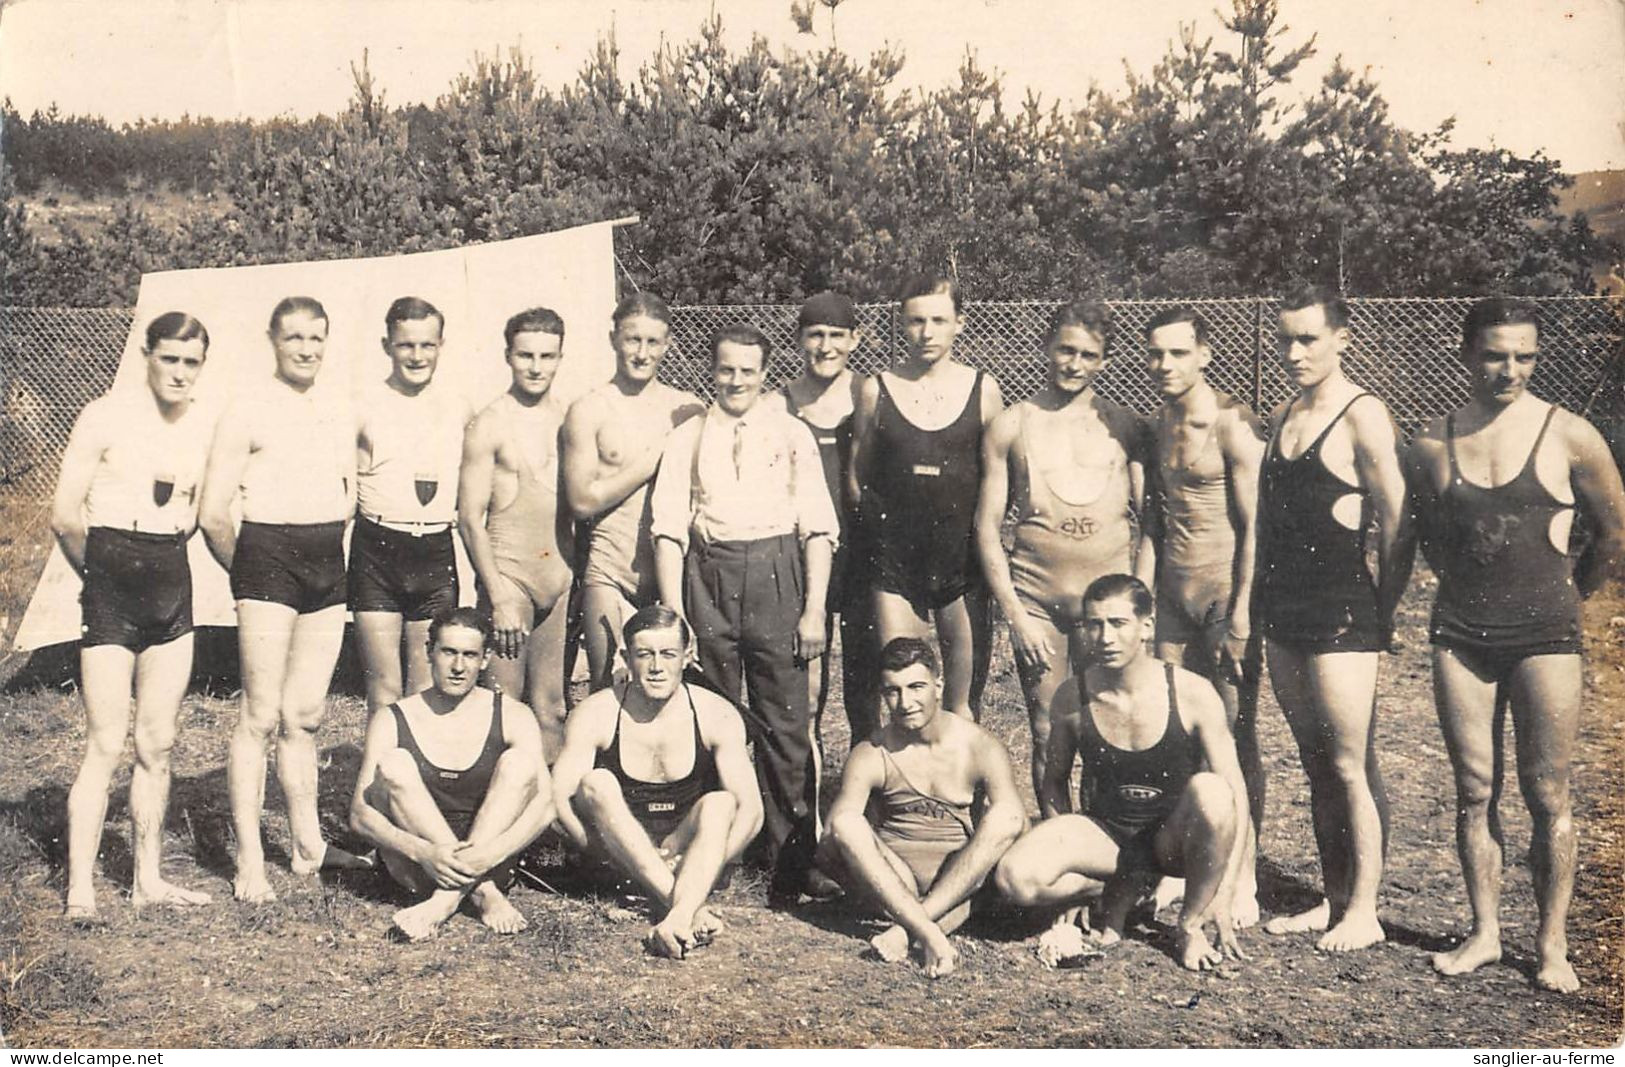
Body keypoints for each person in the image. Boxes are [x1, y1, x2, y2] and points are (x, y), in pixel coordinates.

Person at [1407, 297, 1625, 992]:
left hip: (1546, 636)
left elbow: (1614, 533)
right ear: (1465, 353)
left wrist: (1566, 598)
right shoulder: (1433, 441)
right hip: (1461, 633)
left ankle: (1551, 943)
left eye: (1524, 356)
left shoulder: (1570, 435)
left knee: (1547, 791)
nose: (1509, 370)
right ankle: (1484, 933)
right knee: (1474, 789)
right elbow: (1435, 541)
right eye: (1496, 354)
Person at [649, 324, 837, 892]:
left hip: (778, 578)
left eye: (747, 371)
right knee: (715, 715)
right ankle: (723, 849)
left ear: (764, 374)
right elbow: (668, 530)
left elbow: (819, 529)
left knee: (784, 720)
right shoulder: (689, 436)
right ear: (712, 369)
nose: (735, 380)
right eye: (726, 369)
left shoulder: (790, 433)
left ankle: (791, 856)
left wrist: (813, 611)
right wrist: (674, 612)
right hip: (709, 576)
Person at [199, 295, 373, 903]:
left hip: (327, 560)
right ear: (272, 339)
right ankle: (249, 859)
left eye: (316, 339)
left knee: (305, 715)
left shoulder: (339, 405)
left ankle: (307, 848)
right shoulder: (247, 408)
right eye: (294, 337)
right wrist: (249, 574)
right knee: (260, 715)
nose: (305, 349)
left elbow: (352, 485)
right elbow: (213, 513)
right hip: (266, 559)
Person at [1254, 284, 1412, 951]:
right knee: (1315, 760)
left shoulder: (1361, 414)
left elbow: (1398, 517)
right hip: (1283, 610)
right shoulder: (1287, 411)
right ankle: (1335, 895)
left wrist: (1383, 605)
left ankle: (1365, 910)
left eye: (1307, 339)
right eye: (1285, 339)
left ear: (1340, 338)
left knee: (1349, 763)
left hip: (1342, 610)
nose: (1293, 351)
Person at [994, 575, 1249, 972]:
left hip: (1173, 841)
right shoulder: (1072, 697)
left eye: (1117, 623)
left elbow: (1235, 794)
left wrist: (1225, 890)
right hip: (1110, 837)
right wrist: (1070, 883)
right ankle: (1121, 887)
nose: (1104, 637)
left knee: (1213, 791)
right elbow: (1054, 783)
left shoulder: (1192, 692)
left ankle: (1189, 925)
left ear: (1146, 627)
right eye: (1094, 624)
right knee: (1015, 877)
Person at [52, 311, 217, 919]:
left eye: (191, 361)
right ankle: (80, 892)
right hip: (111, 582)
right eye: (169, 358)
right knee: (104, 742)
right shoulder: (105, 414)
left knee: (158, 741)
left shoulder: (204, 423)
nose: (179, 372)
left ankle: (148, 878)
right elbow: (66, 515)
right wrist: (98, 580)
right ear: (147, 354)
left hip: (171, 578)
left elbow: (198, 510)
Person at [976, 299, 1149, 800]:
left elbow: (1153, 521)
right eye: (1064, 351)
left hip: (1108, 609)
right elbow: (987, 527)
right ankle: (1058, 842)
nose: (1073, 365)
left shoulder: (1125, 427)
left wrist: (1139, 603)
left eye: (1088, 355)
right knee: (1048, 732)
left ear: (1105, 361)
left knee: (1109, 727)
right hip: (1039, 605)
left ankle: (1104, 846)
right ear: (1046, 348)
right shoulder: (1012, 425)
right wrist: (1016, 615)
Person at [1142, 305, 1265, 923]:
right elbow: (1156, 523)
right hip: (1172, 598)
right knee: (1173, 734)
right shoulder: (1158, 423)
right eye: (1157, 353)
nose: (1165, 365)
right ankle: (1187, 863)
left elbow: (1253, 529)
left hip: (1222, 595)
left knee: (1233, 737)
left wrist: (1241, 614)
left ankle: (1242, 874)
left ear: (1204, 354)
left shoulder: (1233, 426)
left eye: (1178, 353)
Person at [551, 605, 763, 959]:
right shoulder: (596, 712)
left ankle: (675, 911)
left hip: (687, 852)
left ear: (688, 656)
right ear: (625, 657)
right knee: (596, 782)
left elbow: (751, 812)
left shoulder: (716, 712)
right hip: (618, 853)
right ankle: (687, 910)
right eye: (644, 655)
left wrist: (703, 863)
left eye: (668, 654)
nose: (656, 667)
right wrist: (609, 856)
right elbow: (558, 804)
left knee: (721, 803)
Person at [822, 637, 1025, 978]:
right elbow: (832, 838)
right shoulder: (872, 751)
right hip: (893, 880)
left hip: (959, 877)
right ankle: (930, 930)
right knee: (845, 823)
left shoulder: (978, 745)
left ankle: (909, 928)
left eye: (916, 687)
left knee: (1007, 816)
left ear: (938, 685)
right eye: (893, 691)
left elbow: (1016, 826)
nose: (906, 702)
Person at [348, 607, 556, 941]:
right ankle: (482, 894)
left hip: (489, 861)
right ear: (429, 652)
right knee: (395, 764)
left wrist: (491, 854)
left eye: (470, 655)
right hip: (417, 868)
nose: (459, 667)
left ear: (485, 659)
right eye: (449, 652)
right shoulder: (393, 718)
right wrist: (424, 853)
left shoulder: (513, 714)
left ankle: (445, 902)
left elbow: (546, 806)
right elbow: (360, 816)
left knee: (520, 762)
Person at [850, 275, 1004, 720]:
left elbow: (995, 481)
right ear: (902, 323)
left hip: (961, 567)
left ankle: (962, 790)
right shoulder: (876, 389)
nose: (927, 332)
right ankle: (904, 789)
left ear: (960, 323)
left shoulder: (984, 390)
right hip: (897, 567)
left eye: (939, 320)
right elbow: (857, 479)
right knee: (905, 696)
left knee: (961, 705)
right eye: (917, 321)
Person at [562, 293, 705, 690]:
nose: (642, 353)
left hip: (672, 574)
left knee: (678, 690)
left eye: (653, 342)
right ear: (613, 339)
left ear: (668, 344)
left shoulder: (688, 409)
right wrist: (656, 456)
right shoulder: (590, 408)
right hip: (611, 567)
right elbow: (581, 500)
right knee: (611, 686)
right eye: (632, 340)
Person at [458, 307, 574, 760]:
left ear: (560, 357)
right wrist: (499, 596)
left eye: (547, 356)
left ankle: (550, 822)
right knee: (503, 711)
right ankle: (496, 820)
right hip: (511, 581)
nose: (536, 366)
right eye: (526, 355)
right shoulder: (490, 422)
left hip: (559, 581)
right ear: (508, 356)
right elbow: (469, 518)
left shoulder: (570, 418)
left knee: (552, 708)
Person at [351, 297, 472, 714]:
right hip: (378, 549)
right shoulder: (363, 404)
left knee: (426, 688)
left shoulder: (458, 406)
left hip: (434, 549)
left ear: (441, 345)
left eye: (427, 345)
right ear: (388, 345)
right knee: (383, 689)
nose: (417, 356)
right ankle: (376, 779)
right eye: (406, 345)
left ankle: (420, 779)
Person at [779, 291, 880, 750]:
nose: (825, 346)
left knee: (866, 690)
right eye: (815, 335)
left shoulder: (871, 396)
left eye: (836, 335)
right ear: (799, 339)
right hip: (804, 562)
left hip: (863, 559)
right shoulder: (778, 406)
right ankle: (810, 801)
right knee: (808, 687)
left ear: (855, 339)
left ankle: (868, 795)